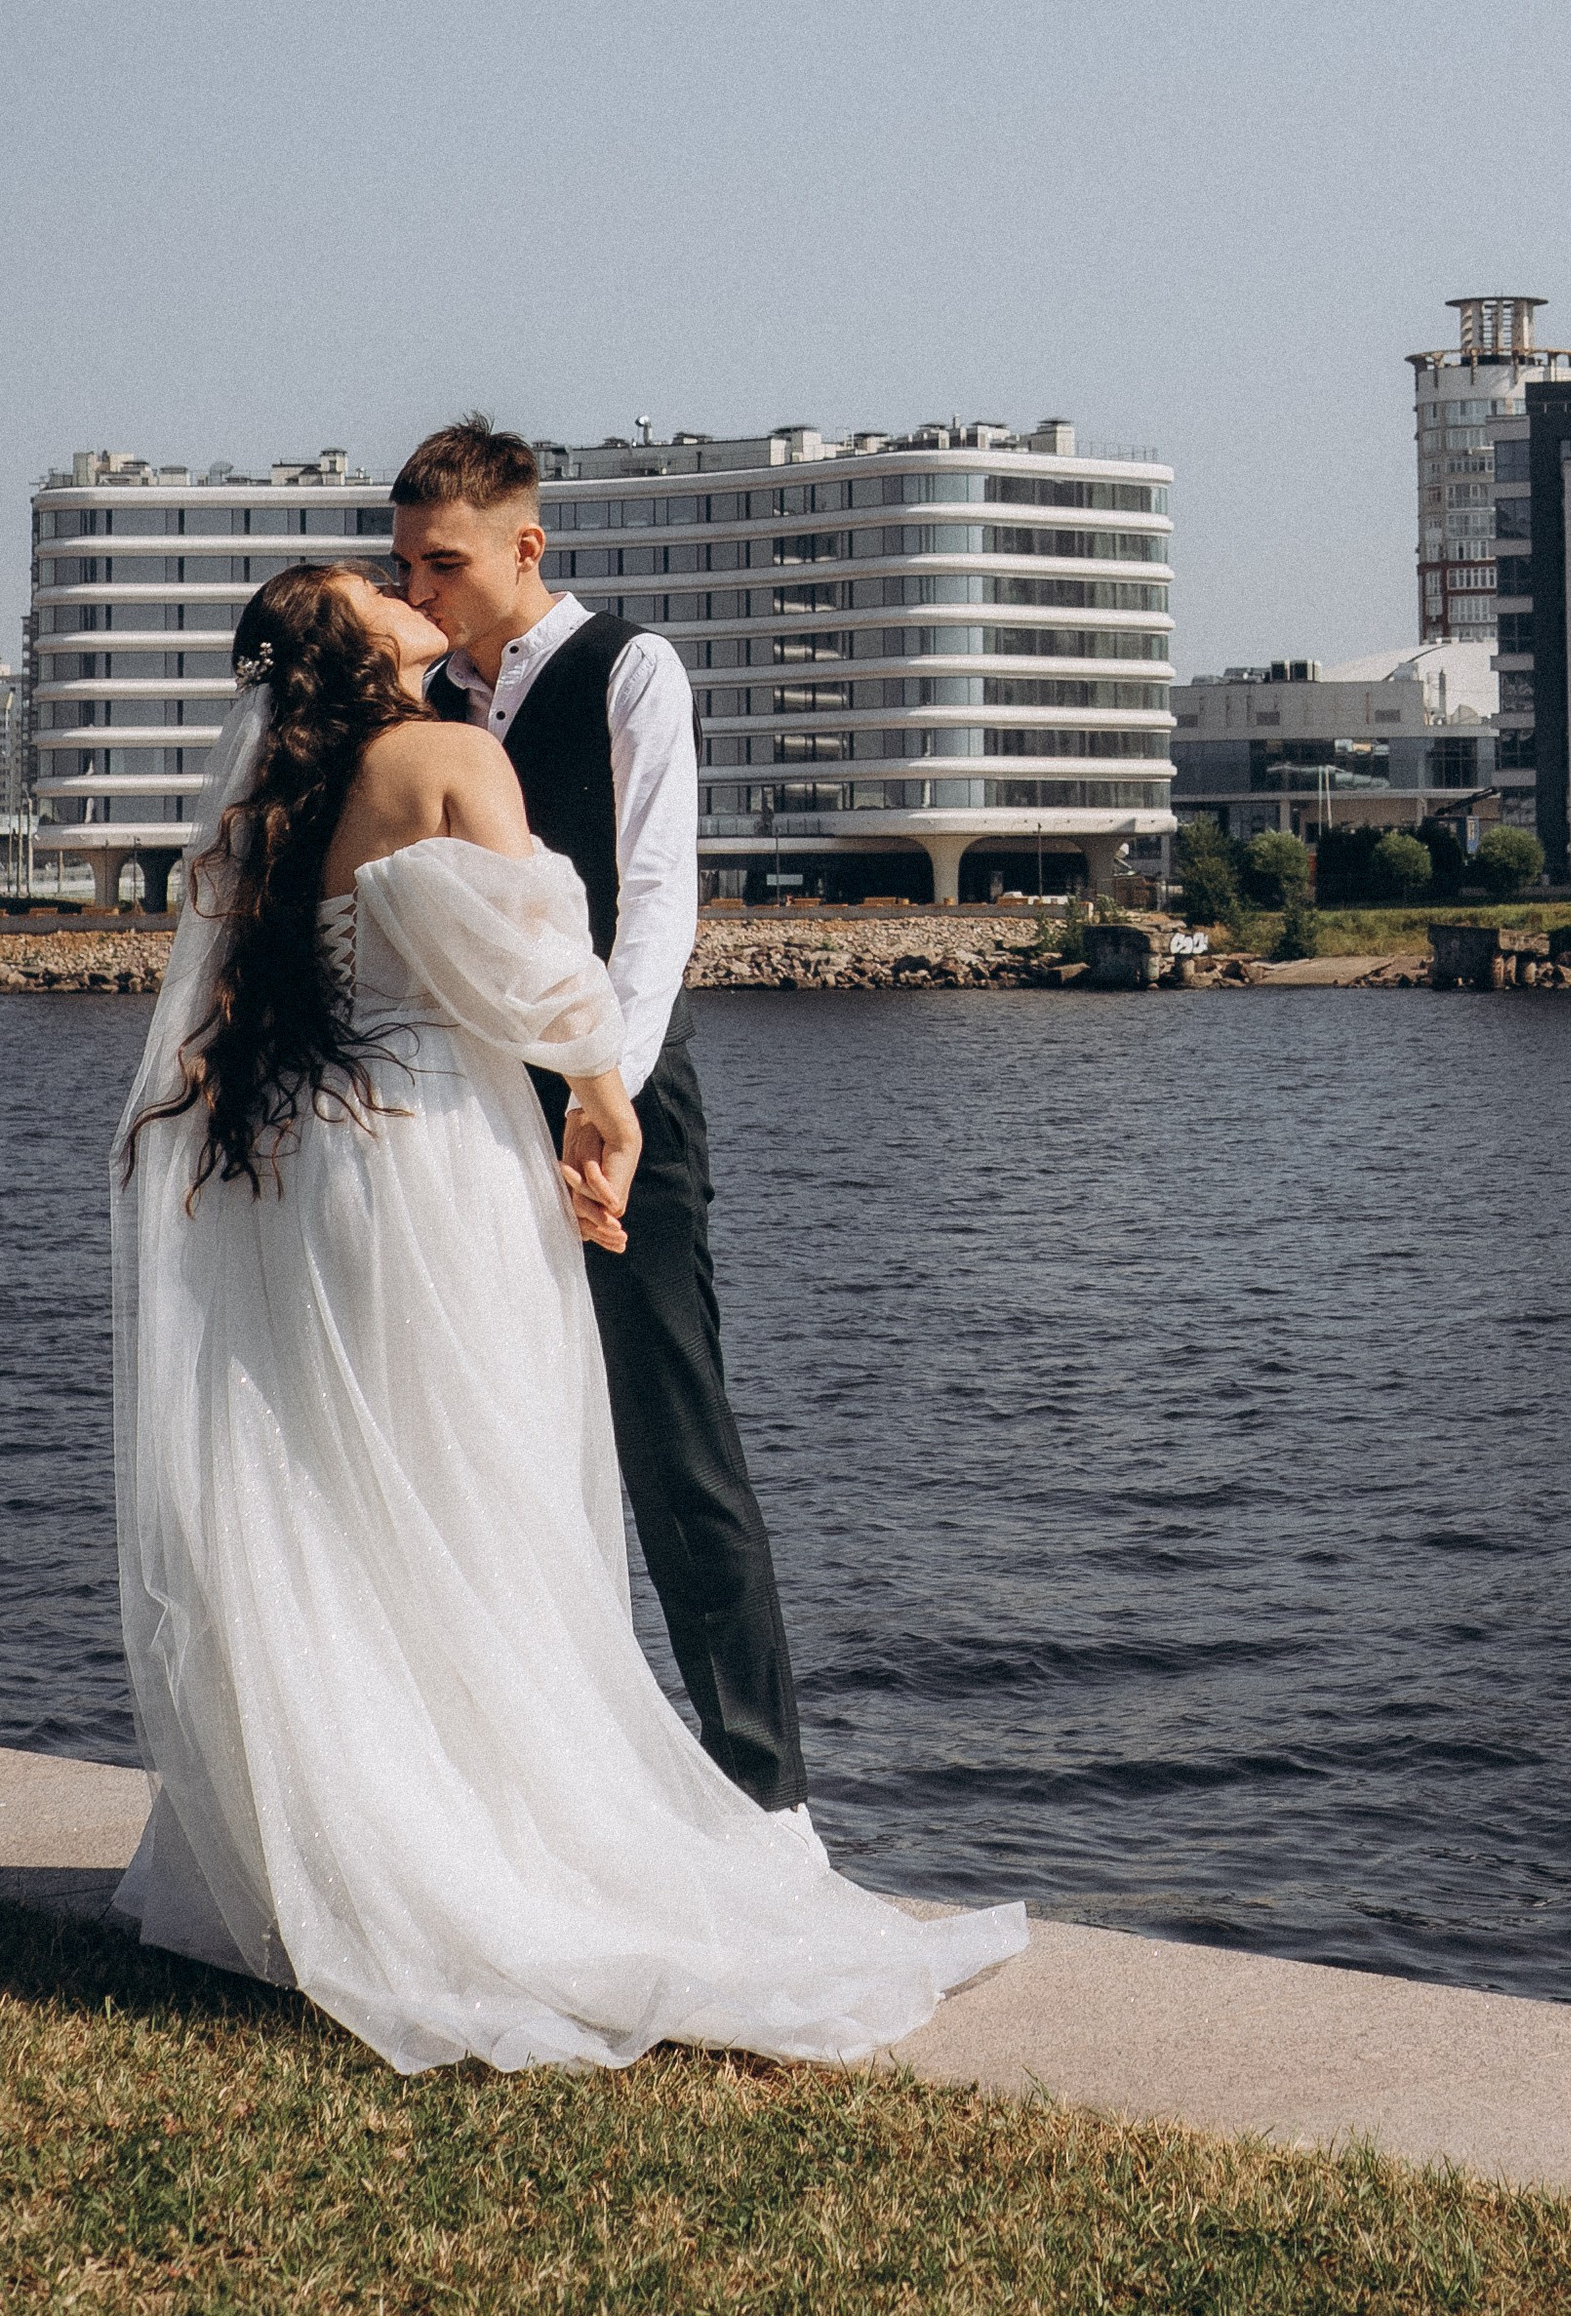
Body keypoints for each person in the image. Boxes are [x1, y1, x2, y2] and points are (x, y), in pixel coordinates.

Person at [111, 560, 1023, 2073]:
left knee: (342, 1499)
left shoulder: (275, 804)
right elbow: (545, 974)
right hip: (437, 1165)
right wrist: (604, 1111)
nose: (410, 594)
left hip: (308, 1175)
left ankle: (339, 1844)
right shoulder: (449, 757)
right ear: (358, 641)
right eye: (379, 588)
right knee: (485, 1488)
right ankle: (504, 1850)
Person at [387, 418, 803, 1815]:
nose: (422, 590)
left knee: (673, 1437)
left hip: (620, 1103)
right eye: (405, 567)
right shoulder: (422, 697)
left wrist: (595, 1090)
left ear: (525, 543)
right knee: (490, 1427)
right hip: (462, 1115)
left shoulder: (631, 665)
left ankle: (766, 1798)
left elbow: (660, 900)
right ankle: (537, 1794)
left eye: (441, 562)